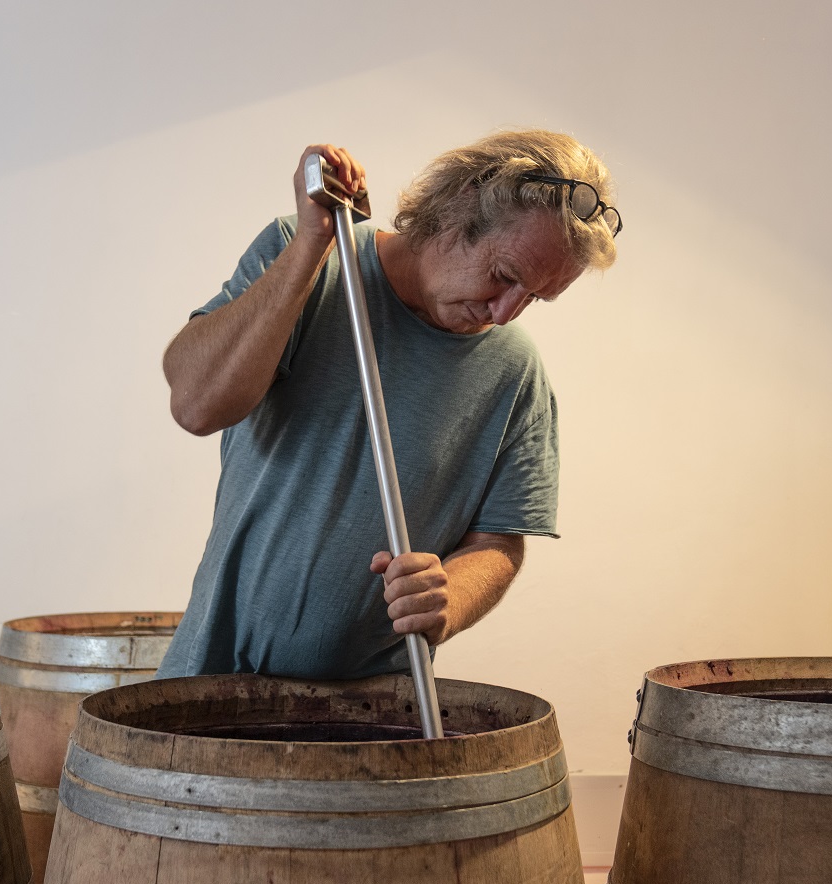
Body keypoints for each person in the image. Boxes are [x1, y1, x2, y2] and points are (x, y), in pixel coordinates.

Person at [157, 129, 620, 680]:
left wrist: (450, 596)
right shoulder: (318, 263)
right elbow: (195, 404)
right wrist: (311, 246)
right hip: (205, 691)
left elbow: (498, 543)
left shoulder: (514, 373)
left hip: (376, 723)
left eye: (535, 299)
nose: (505, 313)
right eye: (504, 277)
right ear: (457, 209)